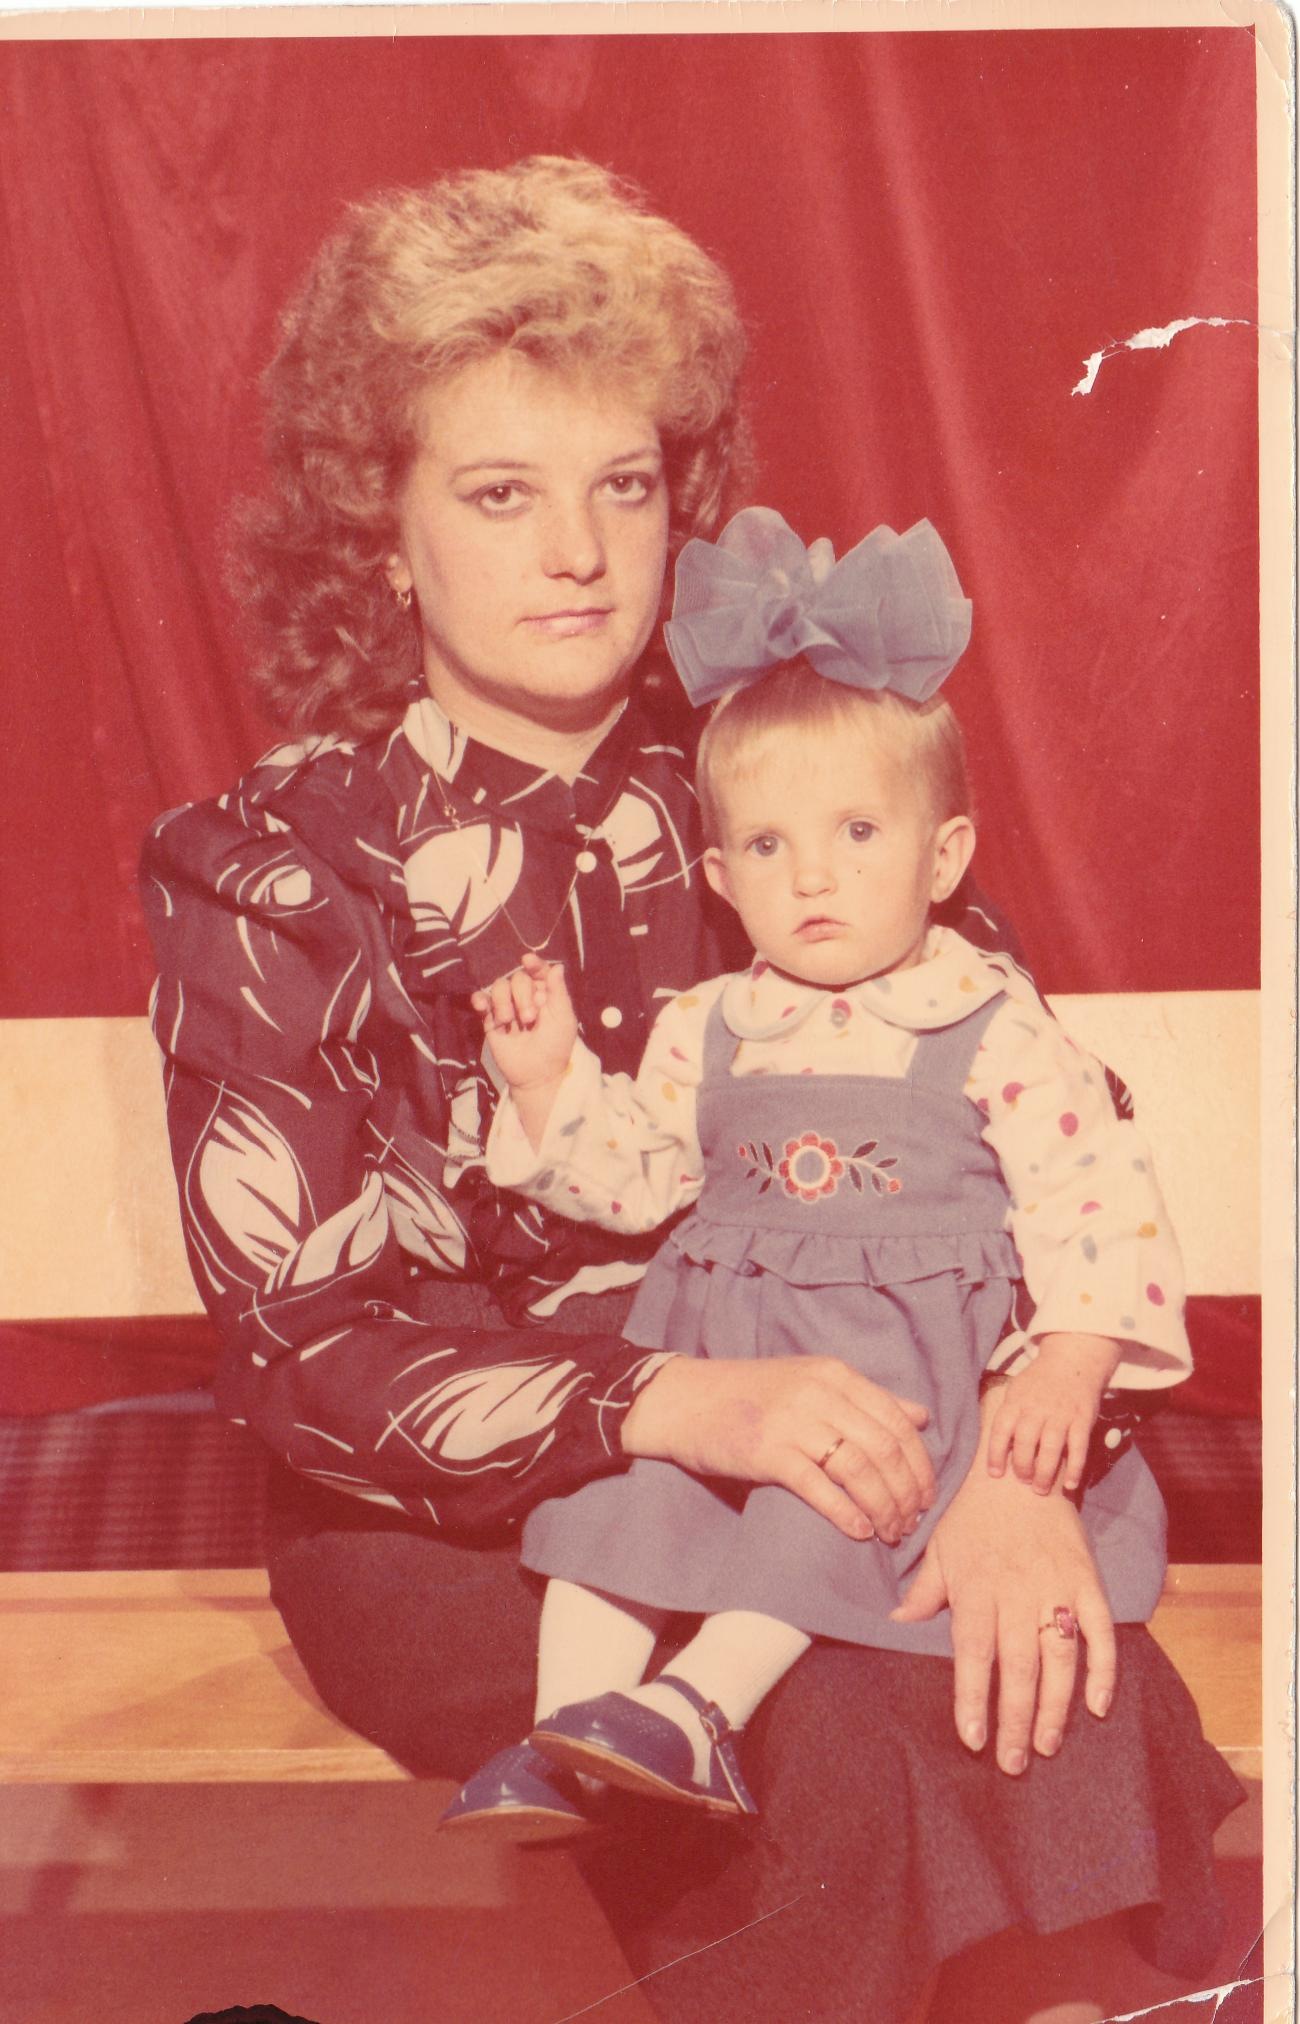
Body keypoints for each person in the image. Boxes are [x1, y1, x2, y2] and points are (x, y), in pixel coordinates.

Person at [140, 157, 1241, 2022]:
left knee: (1042, 1655)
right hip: (463, 1509)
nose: (578, 551)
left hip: (886, 1426)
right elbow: (301, 1339)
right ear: (381, 530)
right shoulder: (271, 860)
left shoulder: (801, 779)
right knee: (838, 1726)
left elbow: (1039, 1160)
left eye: (625, 485)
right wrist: (681, 1401)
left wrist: (1017, 1479)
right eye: (501, 492)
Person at [447, 507, 1195, 1835]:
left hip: (903, 1372)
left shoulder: (988, 1021)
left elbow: (1098, 1201)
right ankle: (565, 1733)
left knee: (823, 1518)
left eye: (857, 833)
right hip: (725, 1357)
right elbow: (634, 1180)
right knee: (621, 1505)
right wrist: (549, 1082)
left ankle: (700, 1709)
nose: (814, 881)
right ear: (722, 876)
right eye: (770, 848)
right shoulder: (712, 1025)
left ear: (943, 855)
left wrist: (1071, 1362)